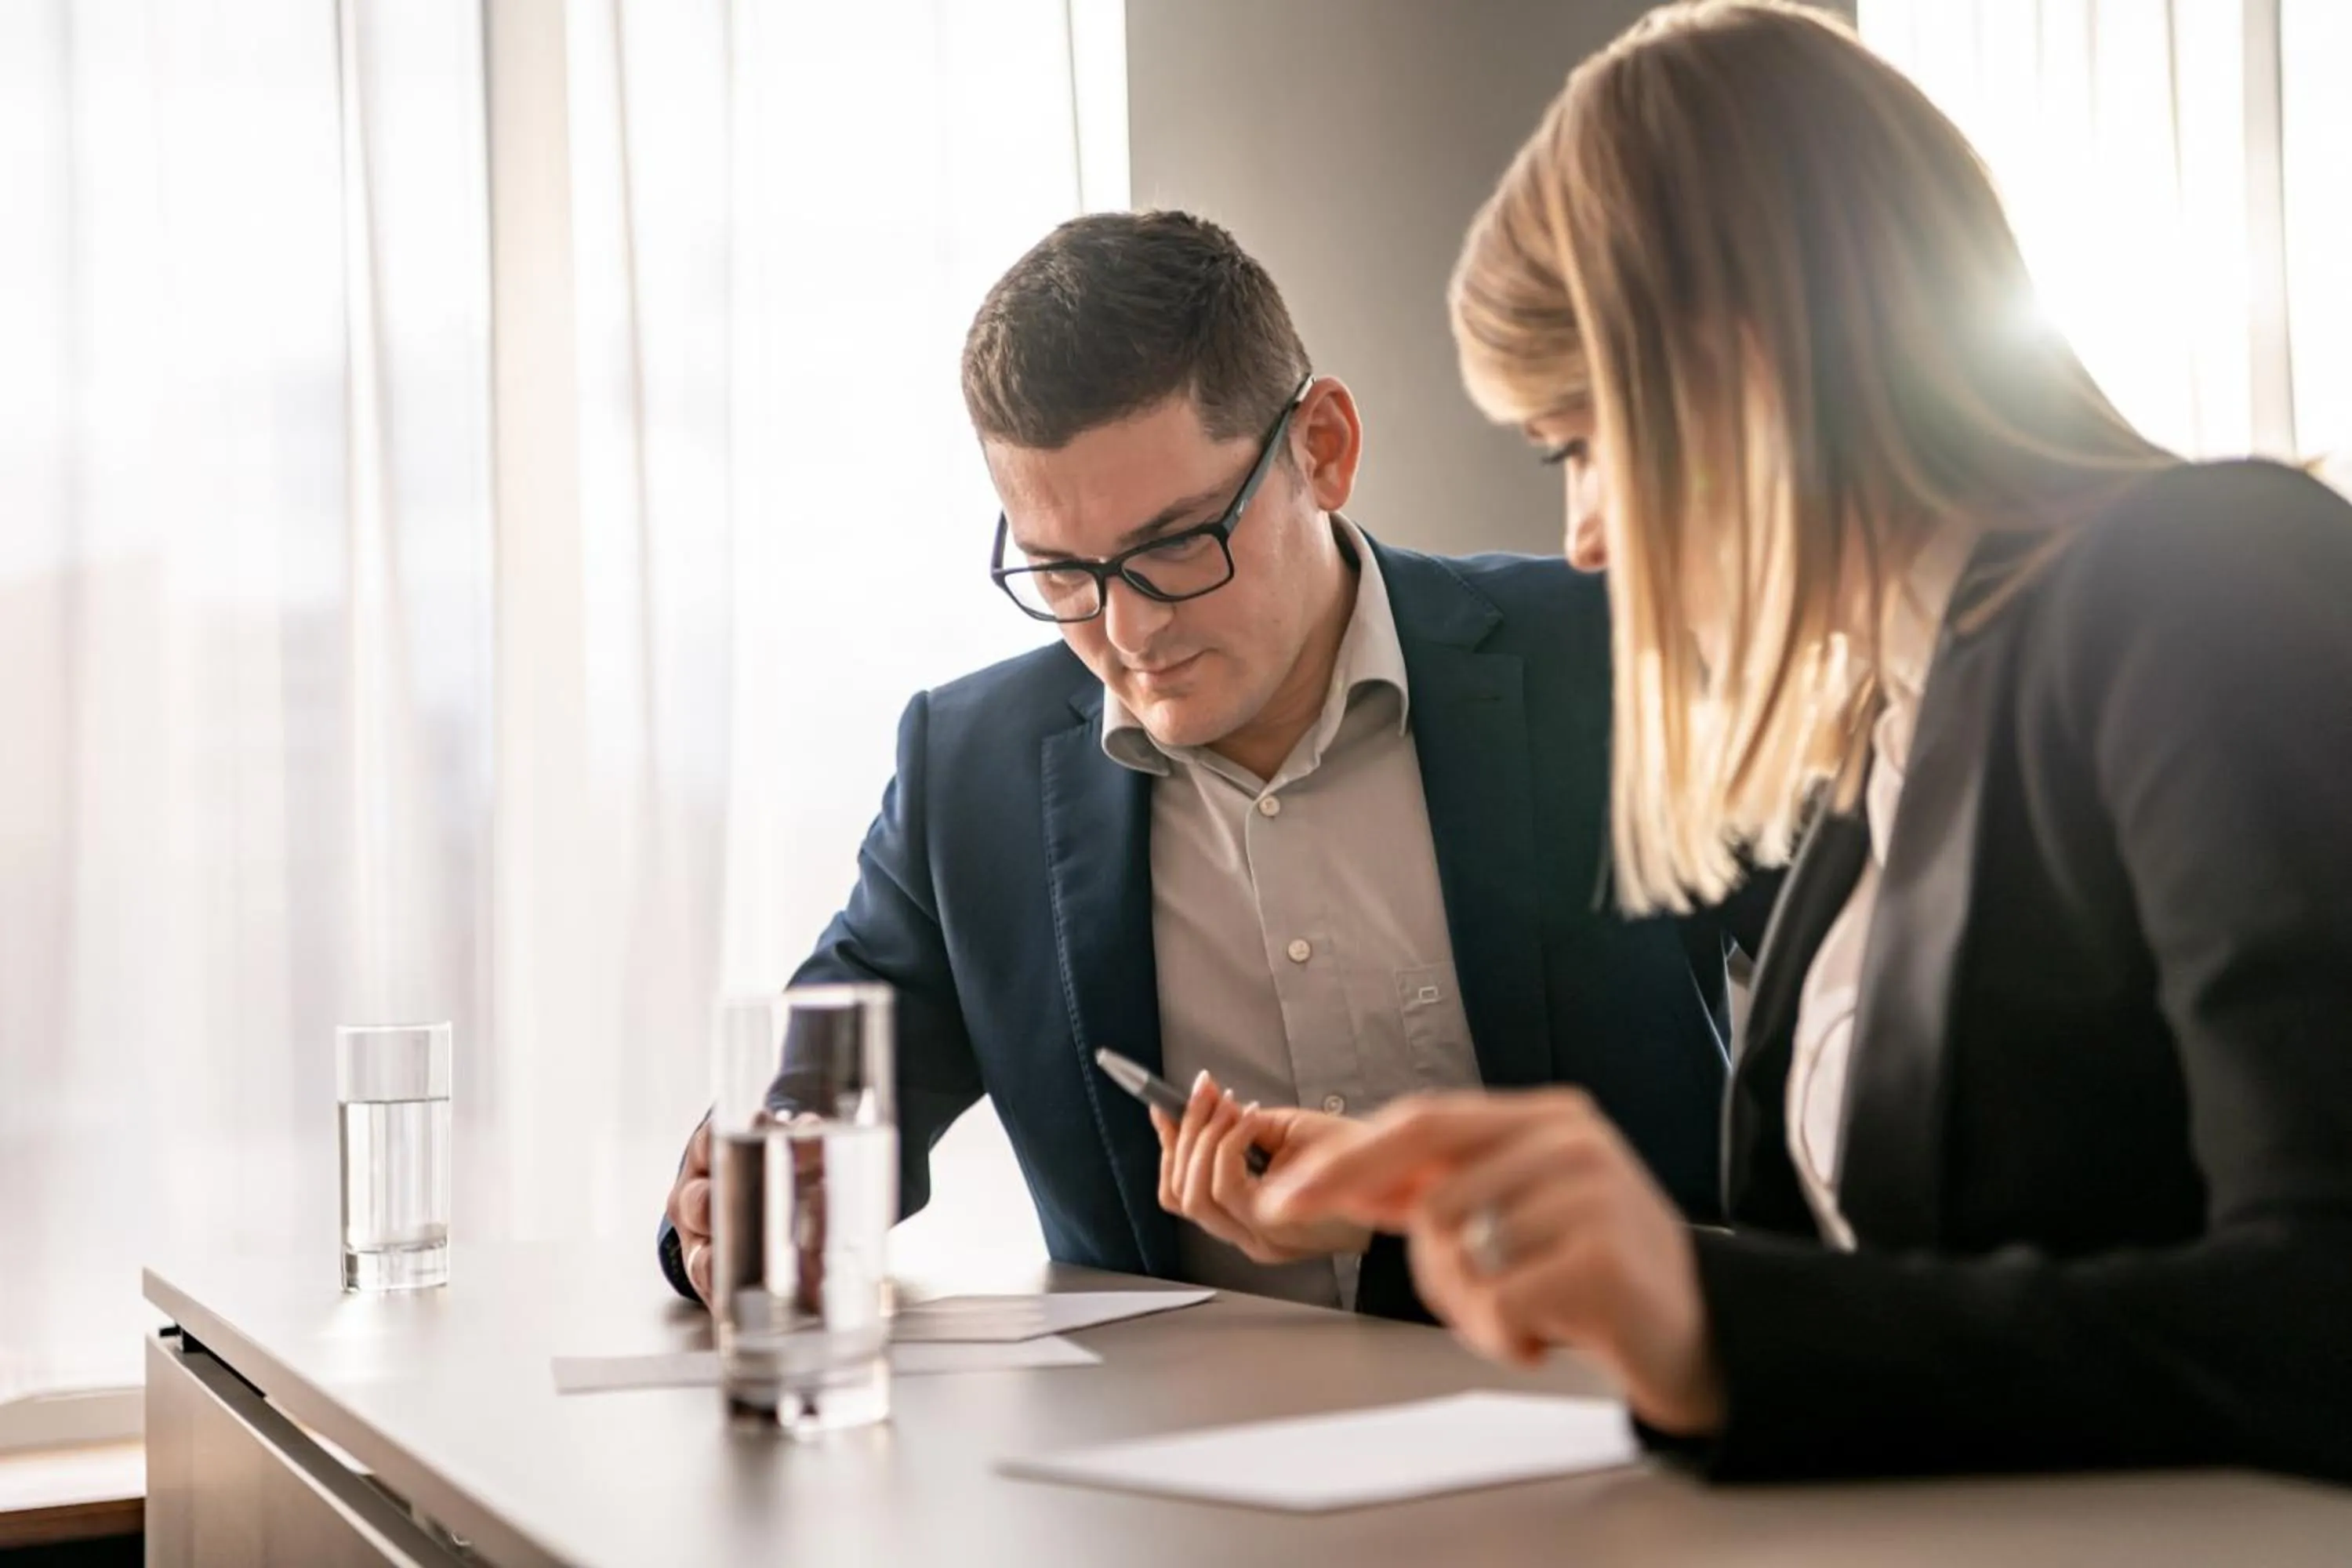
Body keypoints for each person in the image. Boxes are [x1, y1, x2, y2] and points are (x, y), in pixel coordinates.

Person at [1262, 0, 2352, 1482]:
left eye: (1582, 443)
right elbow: (1893, 1294)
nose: (1581, 536)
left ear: (1747, 361)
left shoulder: (2208, 581)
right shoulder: (1892, 726)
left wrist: (1717, 1323)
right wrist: (1516, 1238)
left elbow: (2320, 1309)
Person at [659, 211, 1768, 1323]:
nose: (1128, 630)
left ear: (1322, 448)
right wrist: (747, 1193)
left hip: (1614, 1405)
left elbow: (1858, 1063)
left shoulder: (1616, 658)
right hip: (1172, 1435)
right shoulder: (968, 776)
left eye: (1178, 544)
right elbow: (817, 1097)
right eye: (1061, 572)